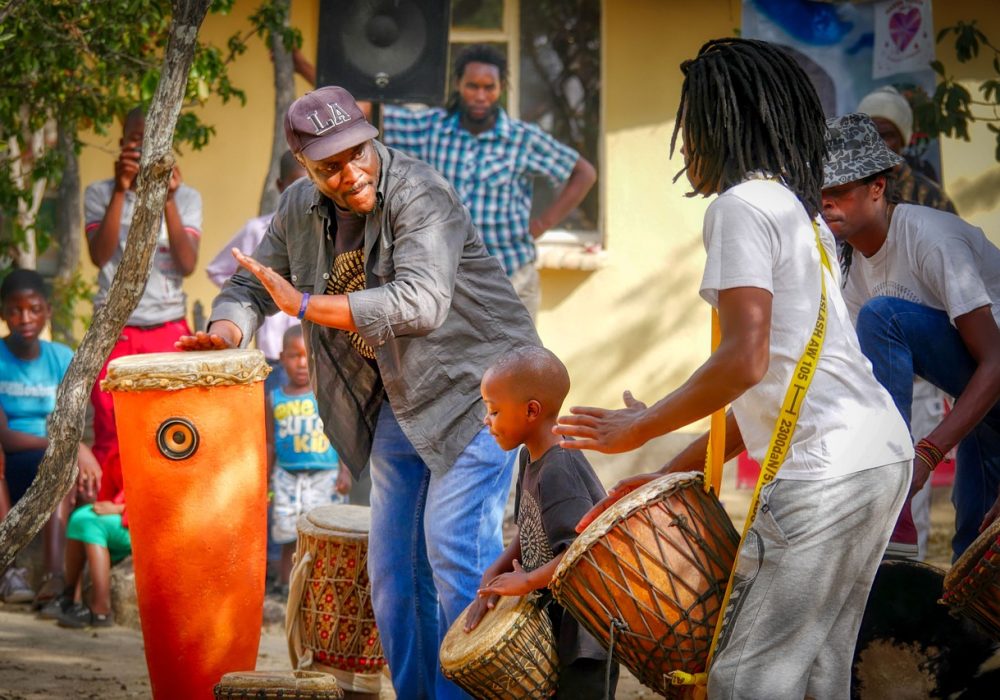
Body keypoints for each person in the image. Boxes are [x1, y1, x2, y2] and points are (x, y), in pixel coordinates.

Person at [556, 39, 912, 698]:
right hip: (878, 457)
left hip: (824, 472)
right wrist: (657, 477)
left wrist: (639, 429)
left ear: (721, 127)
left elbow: (743, 362)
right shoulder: (799, 216)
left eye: (689, 128)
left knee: (748, 681)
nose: (685, 146)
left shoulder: (741, 208)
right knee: (817, 676)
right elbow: (771, 396)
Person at [177, 85, 540, 697]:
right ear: (304, 167)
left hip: (479, 392)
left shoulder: (420, 193)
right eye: (329, 167)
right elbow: (251, 287)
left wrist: (308, 304)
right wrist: (225, 330)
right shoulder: (297, 208)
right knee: (394, 573)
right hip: (402, 399)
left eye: (357, 154)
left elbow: (421, 302)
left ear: (370, 134)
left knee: (453, 552)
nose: (350, 174)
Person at [821, 112, 1000, 560]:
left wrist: (926, 454)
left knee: (885, 317)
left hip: (991, 378)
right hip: (980, 402)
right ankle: (882, 486)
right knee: (972, 552)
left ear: (877, 188)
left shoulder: (930, 238)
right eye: (820, 194)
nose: (827, 205)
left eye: (839, 192)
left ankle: (892, 487)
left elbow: (995, 361)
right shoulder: (854, 275)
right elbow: (854, 380)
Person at [379, 44, 597, 319]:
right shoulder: (430, 129)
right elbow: (366, 111)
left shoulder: (522, 139)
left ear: (501, 88)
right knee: (454, 362)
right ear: (458, 84)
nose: (480, 96)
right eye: (472, 86)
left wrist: (542, 224)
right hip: (448, 283)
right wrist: (305, 67)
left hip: (510, 279)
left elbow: (584, 173)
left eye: (489, 87)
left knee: (517, 362)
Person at [471, 346, 617, 698]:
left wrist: (528, 581)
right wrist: (494, 571)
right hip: (558, 622)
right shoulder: (529, 457)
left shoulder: (559, 469)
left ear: (531, 411)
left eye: (493, 411)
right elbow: (528, 528)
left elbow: (584, 553)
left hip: (585, 635)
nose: (486, 420)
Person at [85, 106, 202, 511]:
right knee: (110, 423)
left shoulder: (187, 197)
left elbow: (187, 264)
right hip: (114, 330)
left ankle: (161, 511)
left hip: (167, 326)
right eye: (137, 138)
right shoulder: (100, 193)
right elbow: (99, 256)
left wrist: (167, 199)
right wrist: (121, 190)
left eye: (154, 138)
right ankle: (107, 518)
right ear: (123, 145)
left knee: (170, 424)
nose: (145, 145)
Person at [0, 269, 101, 606]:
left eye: (34, 308)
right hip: (8, 462)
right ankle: (11, 570)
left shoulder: (61, 358)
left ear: (47, 311)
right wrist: (70, 448)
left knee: (63, 468)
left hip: (47, 461)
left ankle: (55, 578)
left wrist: (75, 450)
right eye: (15, 310)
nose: (25, 318)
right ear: (3, 314)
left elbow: (73, 423)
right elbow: (5, 436)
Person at [205, 151, 306, 394]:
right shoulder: (257, 230)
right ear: (281, 186)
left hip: (307, 352)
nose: (302, 197)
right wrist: (240, 306)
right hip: (272, 350)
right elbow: (222, 273)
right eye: (294, 187)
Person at [267, 325, 349, 591]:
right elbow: (269, 442)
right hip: (286, 477)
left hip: (325, 477)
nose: (302, 363)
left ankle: (321, 590)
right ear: (281, 358)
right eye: (294, 356)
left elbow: (343, 433)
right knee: (287, 536)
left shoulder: (325, 394)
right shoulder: (273, 398)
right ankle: (286, 589)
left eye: (308, 355)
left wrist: (345, 471)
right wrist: (265, 480)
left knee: (324, 534)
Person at [856, 85, 957, 214]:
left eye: (887, 135)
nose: (877, 143)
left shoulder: (931, 198)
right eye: (870, 135)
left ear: (903, 141)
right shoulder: (848, 194)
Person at [44, 489, 130, 629]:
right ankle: (69, 594)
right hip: (118, 514)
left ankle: (101, 610)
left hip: (141, 524)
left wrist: (120, 508)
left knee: (91, 524)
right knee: (79, 516)